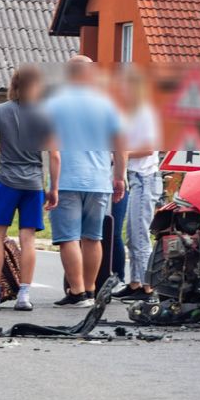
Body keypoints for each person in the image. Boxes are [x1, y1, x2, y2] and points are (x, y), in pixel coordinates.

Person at [0, 65, 58, 312]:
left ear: (14, 84)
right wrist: (53, 188)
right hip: (33, 185)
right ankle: (24, 296)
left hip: (7, 180)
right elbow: (55, 156)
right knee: (28, 239)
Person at [43, 55, 126, 307]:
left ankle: (77, 292)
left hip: (67, 179)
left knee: (68, 237)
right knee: (93, 237)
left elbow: (52, 148)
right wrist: (119, 177)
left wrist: (52, 185)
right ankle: (90, 290)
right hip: (99, 180)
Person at [115, 68, 161, 300]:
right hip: (136, 179)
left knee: (140, 235)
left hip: (145, 178)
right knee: (132, 234)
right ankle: (135, 283)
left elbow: (149, 147)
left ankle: (147, 286)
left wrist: (122, 153)